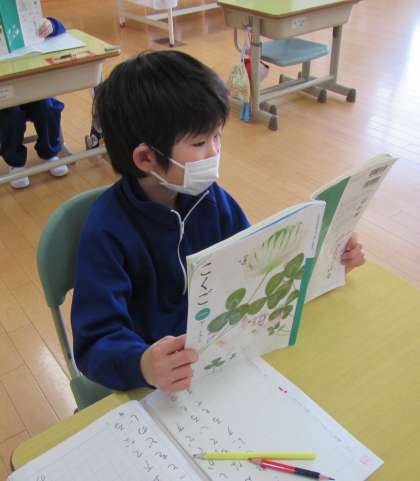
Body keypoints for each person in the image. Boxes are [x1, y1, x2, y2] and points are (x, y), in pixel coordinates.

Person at [71, 50, 365, 394]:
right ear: (146, 158)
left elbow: (254, 264)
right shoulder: (106, 232)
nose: (214, 152)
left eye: (217, 136)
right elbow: (94, 342)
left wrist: (326, 258)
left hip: (221, 355)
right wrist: (141, 364)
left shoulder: (211, 199)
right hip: (159, 381)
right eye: (199, 142)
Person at [0, 18, 69, 189]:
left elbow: (60, 29)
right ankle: (15, 162)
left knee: (46, 107)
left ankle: (50, 152)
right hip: (4, 90)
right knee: (10, 115)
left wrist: (51, 25)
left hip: (29, 80)